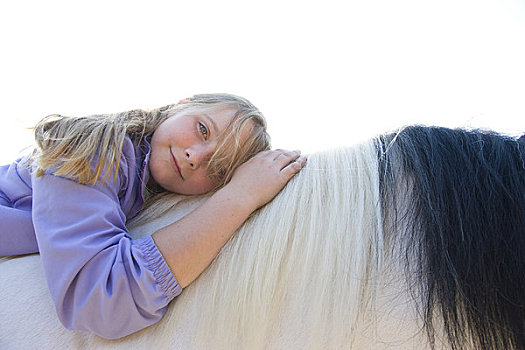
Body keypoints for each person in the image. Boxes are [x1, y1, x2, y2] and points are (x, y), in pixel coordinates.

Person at [0, 93, 306, 339]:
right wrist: (241, 195)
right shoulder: (95, 148)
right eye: (203, 129)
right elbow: (101, 297)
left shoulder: (141, 189)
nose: (195, 157)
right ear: (181, 105)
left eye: (219, 169)